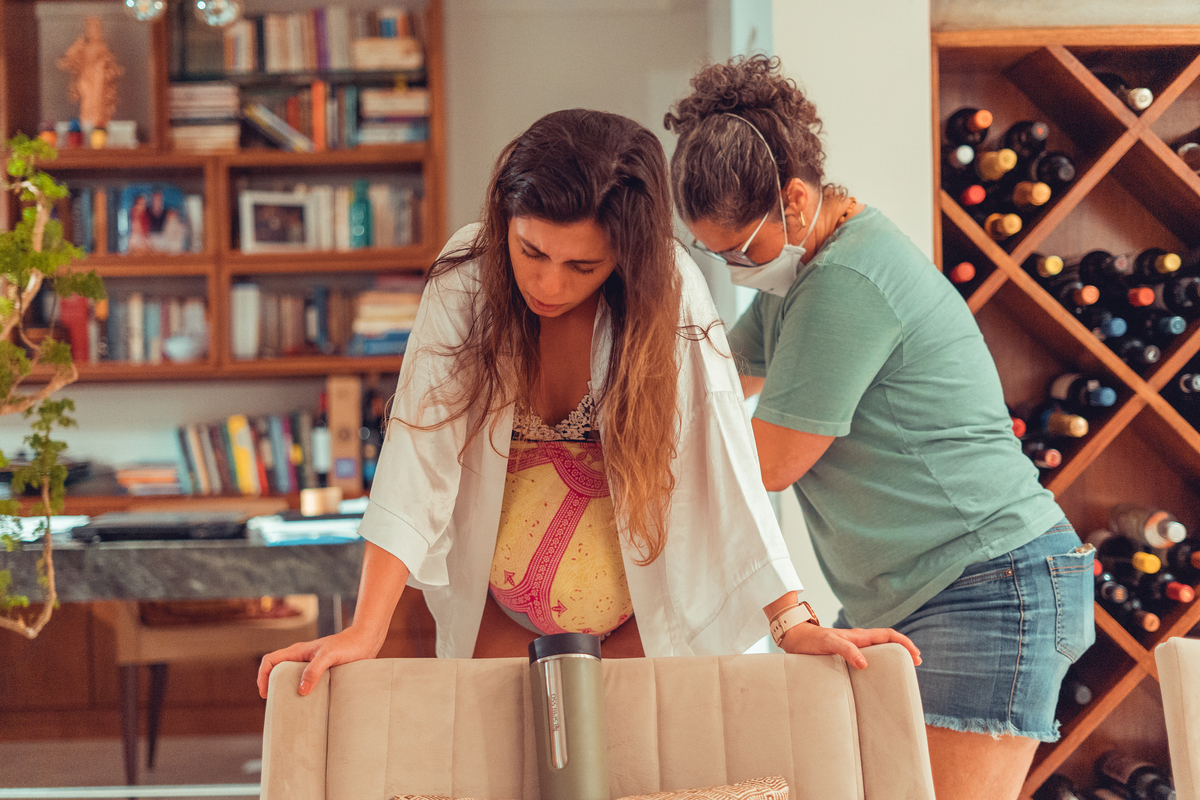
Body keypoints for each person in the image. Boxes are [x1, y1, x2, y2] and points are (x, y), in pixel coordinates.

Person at [258, 108, 919, 698]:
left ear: (626, 257)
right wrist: (365, 630)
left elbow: (723, 458)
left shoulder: (670, 287)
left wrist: (793, 622)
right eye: (532, 252)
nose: (549, 283)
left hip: (640, 622)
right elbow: (419, 449)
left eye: (583, 267)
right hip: (498, 620)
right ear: (502, 224)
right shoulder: (464, 277)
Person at [664, 56, 1095, 800]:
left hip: (985, 583)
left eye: (740, 249)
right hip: (919, 592)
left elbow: (769, 463)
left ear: (795, 200)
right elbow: (712, 379)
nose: (732, 268)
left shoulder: (845, 282)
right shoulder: (803, 276)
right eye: (713, 252)